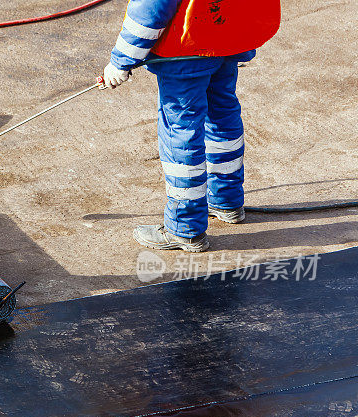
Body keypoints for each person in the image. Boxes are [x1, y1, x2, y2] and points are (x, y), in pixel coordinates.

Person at [102, 0, 280, 252]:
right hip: (228, 40)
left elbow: (151, 9)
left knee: (181, 135)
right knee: (222, 117)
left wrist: (121, 61)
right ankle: (226, 201)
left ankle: (185, 228)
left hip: (185, 52)